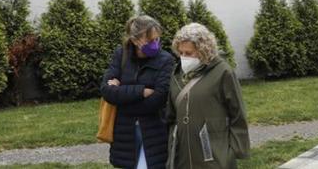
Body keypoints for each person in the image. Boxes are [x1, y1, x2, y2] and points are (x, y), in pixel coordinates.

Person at [166, 23, 249, 169]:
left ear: (203, 51)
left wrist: (233, 151)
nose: (183, 58)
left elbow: (237, 113)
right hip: (183, 155)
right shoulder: (176, 74)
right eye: (181, 53)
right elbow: (171, 115)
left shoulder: (223, 72)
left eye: (188, 53)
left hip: (214, 154)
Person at [100, 16, 175, 169]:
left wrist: (122, 98)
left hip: (154, 133)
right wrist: (141, 91)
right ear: (135, 40)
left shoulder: (166, 60)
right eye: (150, 40)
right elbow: (107, 91)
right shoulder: (121, 55)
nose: (155, 44)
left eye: (157, 39)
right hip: (125, 134)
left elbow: (159, 98)